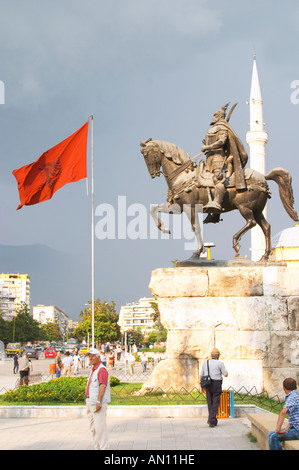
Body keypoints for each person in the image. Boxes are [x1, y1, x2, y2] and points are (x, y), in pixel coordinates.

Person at [200, 103, 248, 218]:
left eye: (216, 115)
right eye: (213, 115)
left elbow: (221, 142)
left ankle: (217, 204)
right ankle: (211, 210)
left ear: (220, 116)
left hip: (218, 158)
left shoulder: (222, 128)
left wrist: (207, 147)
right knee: (205, 180)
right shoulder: (213, 128)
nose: (213, 117)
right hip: (209, 157)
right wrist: (206, 145)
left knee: (218, 179)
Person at [85, 348, 111, 450]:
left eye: (93, 356)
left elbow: (103, 386)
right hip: (90, 401)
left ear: (99, 357)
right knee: (93, 428)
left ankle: (104, 448)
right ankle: (97, 447)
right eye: (89, 356)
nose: (91, 358)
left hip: (97, 403)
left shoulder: (101, 370)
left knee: (100, 428)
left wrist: (99, 401)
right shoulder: (93, 369)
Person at [200, 348, 228, 427]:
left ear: (211, 355)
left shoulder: (205, 362)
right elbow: (225, 374)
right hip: (216, 383)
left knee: (210, 402)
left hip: (207, 383)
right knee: (215, 402)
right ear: (218, 356)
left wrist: (201, 385)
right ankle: (211, 419)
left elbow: (201, 374)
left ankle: (213, 421)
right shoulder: (220, 363)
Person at [268, 378, 299, 450]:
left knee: (274, 437)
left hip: (297, 430)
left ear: (283, 388)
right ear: (296, 387)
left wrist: (278, 429)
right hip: (294, 427)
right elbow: (295, 417)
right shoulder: (295, 395)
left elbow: (283, 412)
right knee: (270, 434)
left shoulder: (292, 397)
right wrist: (287, 428)